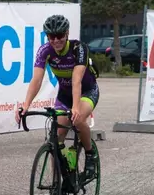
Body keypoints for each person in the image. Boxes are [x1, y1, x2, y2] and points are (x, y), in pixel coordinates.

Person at [15, 14, 100, 182]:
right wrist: (25, 106)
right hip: (65, 95)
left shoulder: (78, 48)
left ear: (67, 33)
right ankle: (57, 184)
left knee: (78, 119)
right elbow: (36, 80)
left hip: (87, 91)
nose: (56, 40)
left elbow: (77, 81)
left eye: (60, 35)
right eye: (51, 36)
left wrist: (75, 107)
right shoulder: (45, 51)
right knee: (55, 138)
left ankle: (91, 155)